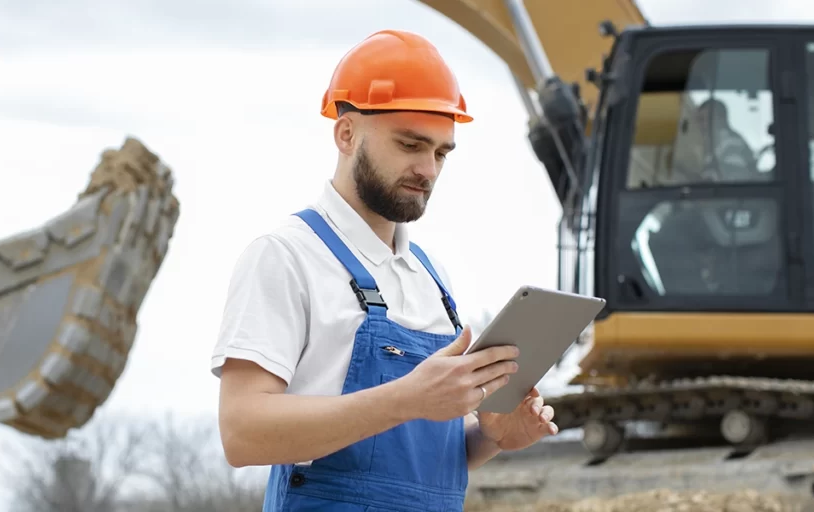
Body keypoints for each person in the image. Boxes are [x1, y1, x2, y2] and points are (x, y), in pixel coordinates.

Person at [211, 29, 558, 511]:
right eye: (410, 145)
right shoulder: (286, 256)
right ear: (346, 132)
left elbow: (412, 463)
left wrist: (491, 437)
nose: (429, 170)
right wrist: (406, 399)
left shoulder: (430, 277)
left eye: (440, 153)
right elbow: (242, 432)